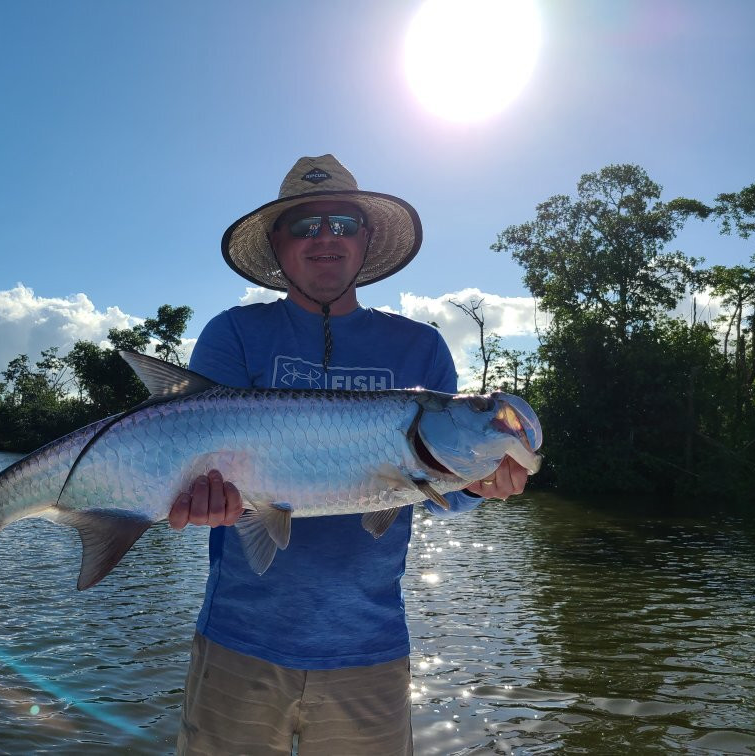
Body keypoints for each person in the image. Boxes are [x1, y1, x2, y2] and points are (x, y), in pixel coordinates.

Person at [172, 155, 528, 755]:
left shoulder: (421, 349)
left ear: (365, 241)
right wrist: (195, 499)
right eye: (305, 226)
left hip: (370, 649)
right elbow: (190, 456)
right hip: (239, 639)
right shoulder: (233, 334)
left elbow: (438, 493)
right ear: (278, 245)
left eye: (342, 222)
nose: (326, 238)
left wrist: (475, 486)